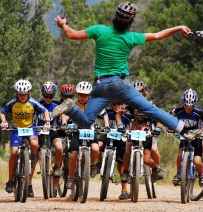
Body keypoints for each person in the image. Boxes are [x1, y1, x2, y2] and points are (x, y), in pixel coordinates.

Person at [53, 2, 193, 139]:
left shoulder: (99, 30)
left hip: (101, 85)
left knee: (85, 122)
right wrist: (179, 27)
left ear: (115, 16)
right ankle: (184, 131)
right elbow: (158, 35)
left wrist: (63, 25)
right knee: (150, 110)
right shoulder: (131, 37)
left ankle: (70, 107)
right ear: (130, 22)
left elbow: (71, 35)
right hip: (119, 84)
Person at [0, 79, 50, 197]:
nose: (22, 96)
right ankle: (10, 181)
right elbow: (2, 112)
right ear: (17, 93)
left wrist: (47, 121)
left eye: (24, 94)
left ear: (29, 93)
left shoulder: (33, 102)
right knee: (13, 152)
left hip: (30, 128)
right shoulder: (12, 102)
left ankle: (31, 158)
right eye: (20, 94)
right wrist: (4, 121)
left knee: (34, 143)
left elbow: (45, 110)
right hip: (17, 129)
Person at [60, 81, 105, 188]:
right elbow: (65, 114)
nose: (82, 97)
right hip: (77, 132)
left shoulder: (94, 104)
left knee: (95, 149)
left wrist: (106, 125)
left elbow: (104, 114)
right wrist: (64, 123)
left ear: (89, 95)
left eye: (85, 95)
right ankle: (70, 178)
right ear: (77, 94)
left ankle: (92, 165)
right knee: (73, 155)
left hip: (90, 132)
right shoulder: (73, 103)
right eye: (80, 94)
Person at [170, 89, 203, 187]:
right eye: (186, 106)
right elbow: (169, 116)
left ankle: (201, 174)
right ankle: (179, 174)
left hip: (196, 136)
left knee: (197, 161)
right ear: (183, 103)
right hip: (184, 135)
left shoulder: (199, 112)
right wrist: (170, 127)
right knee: (180, 154)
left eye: (190, 106)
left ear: (194, 104)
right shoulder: (178, 111)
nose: (188, 108)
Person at [35, 81, 63, 197]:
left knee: (59, 148)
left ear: (54, 94)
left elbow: (65, 115)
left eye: (51, 96)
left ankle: (56, 170)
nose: (48, 98)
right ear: (42, 94)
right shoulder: (37, 103)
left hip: (53, 131)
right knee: (35, 154)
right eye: (45, 96)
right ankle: (28, 185)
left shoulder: (58, 104)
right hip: (40, 132)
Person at [106, 102, 131, 200]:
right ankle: (98, 164)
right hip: (109, 138)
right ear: (111, 105)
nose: (117, 106)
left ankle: (124, 190)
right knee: (98, 145)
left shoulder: (128, 115)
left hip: (122, 140)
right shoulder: (107, 113)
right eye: (114, 104)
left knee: (121, 164)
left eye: (119, 104)